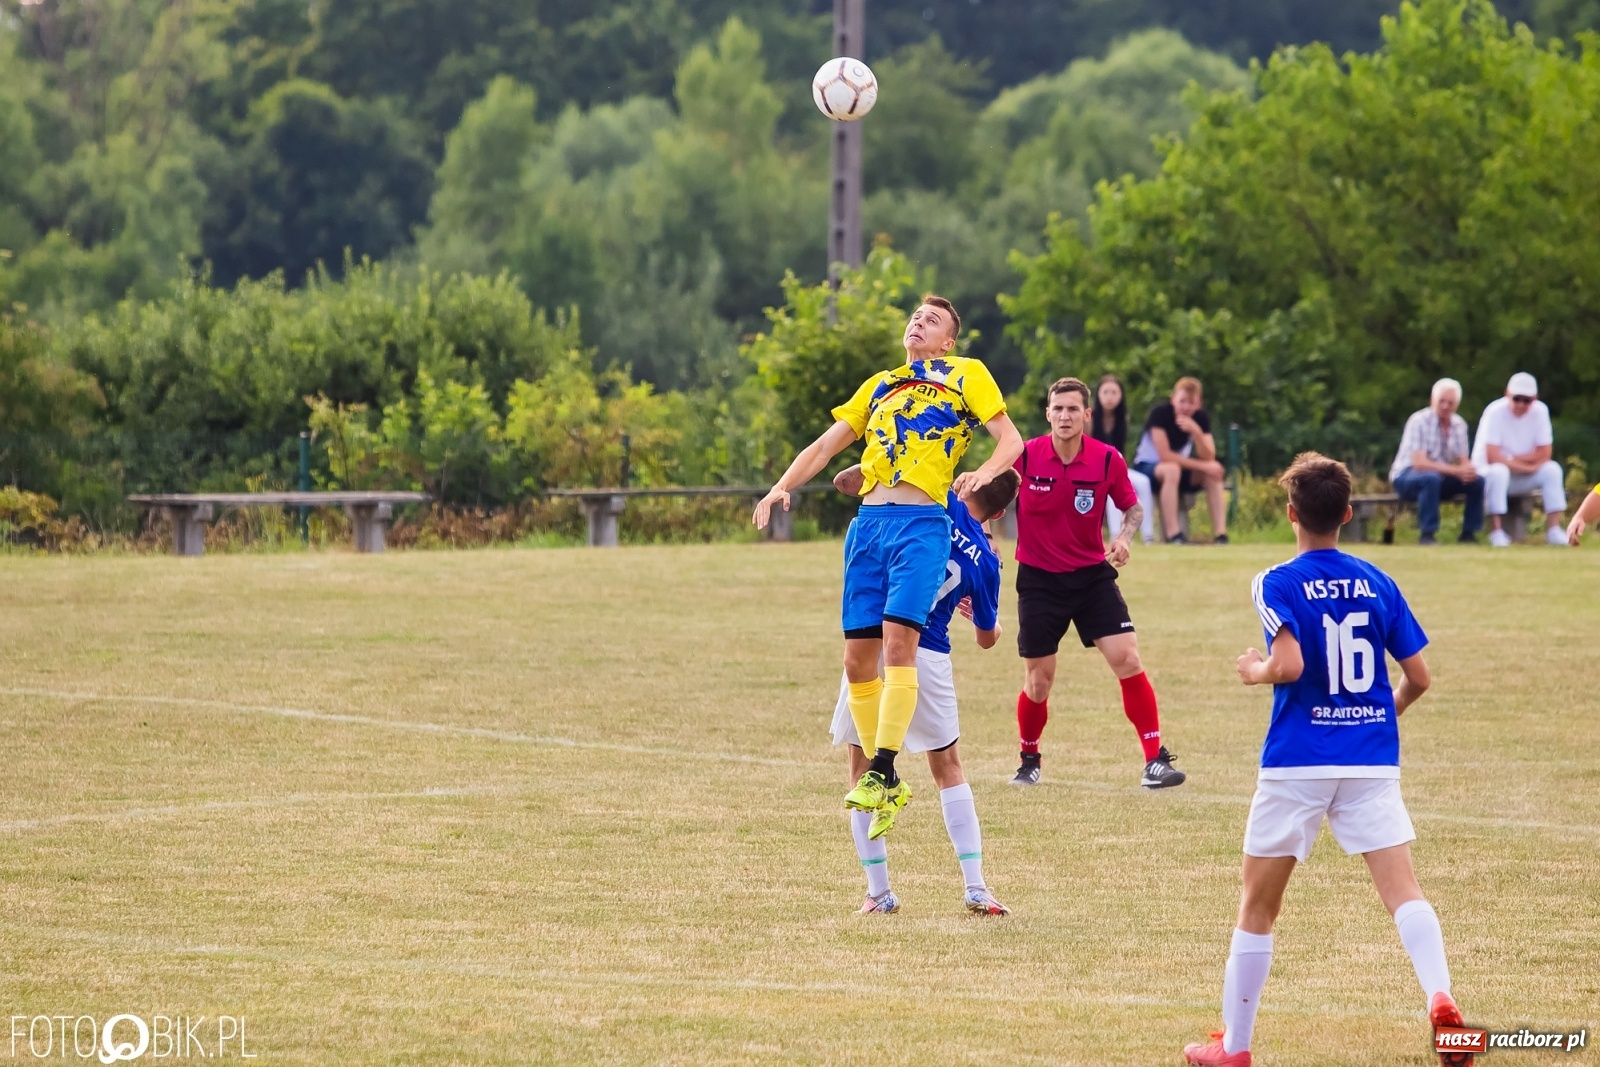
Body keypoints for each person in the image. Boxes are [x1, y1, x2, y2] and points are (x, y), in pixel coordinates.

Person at [1182, 452, 1467, 1067]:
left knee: (1258, 908)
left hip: (1297, 761)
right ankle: (1441, 997)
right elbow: (1419, 677)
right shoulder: (1378, 580)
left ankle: (1233, 1048)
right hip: (1370, 762)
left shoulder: (1276, 580)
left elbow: (1288, 666)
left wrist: (1255, 672)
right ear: (1346, 514)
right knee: (1405, 894)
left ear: (1291, 514)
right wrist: (1375, 718)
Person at [753, 295, 1023, 840]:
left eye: (933, 320)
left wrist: (982, 472)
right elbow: (827, 445)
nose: (918, 323)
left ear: (949, 341)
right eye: (916, 317)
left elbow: (1011, 440)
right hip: (868, 528)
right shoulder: (880, 383)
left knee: (899, 648)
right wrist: (782, 485)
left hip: (920, 526)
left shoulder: (966, 374)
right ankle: (888, 778)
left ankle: (881, 770)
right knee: (857, 662)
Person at [828, 464, 1020, 916]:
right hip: (928, 657)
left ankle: (878, 894)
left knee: (862, 769)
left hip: (877, 647)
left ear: (964, 483)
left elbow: (844, 482)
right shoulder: (988, 560)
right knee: (948, 768)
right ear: (1000, 511)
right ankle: (976, 886)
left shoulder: (937, 500)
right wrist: (973, 607)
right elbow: (989, 639)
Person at [1009, 376, 1186, 789]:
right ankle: (1029, 759)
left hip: (1091, 577)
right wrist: (982, 532)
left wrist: (1124, 537)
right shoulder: (1025, 456)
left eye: (1073, 409)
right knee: (1038, 681)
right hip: (1038, 579)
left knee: (1127, 658)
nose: (1065, 416)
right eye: (1058, 408)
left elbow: (1134, 508)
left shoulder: (1107, 459)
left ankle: (1154, 761)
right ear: (1047, 413)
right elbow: (992, 499)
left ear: (1087, 415)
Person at [1471, 372, 1568, 547]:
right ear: (1507, 394)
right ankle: (1496, 532)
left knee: (1552, 470)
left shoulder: (1541, 411)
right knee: (1499, 472)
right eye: (1517, 399)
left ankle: (1554, 530)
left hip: (1521, 473)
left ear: (1535, 398)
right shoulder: (1494, 412)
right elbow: (1492, 456)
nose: (1521, 404)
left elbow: (1545, 453)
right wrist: (1526, 465)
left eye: (1527, 400)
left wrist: (1512, 459)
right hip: (1489, 474)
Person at [1132, 377, 1228, 544]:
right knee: (1172, 469)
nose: (1185, 407)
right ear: (1173, 399)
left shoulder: (1200, 418)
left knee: (1213, 470)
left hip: (1178, 468)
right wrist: (1204, 465)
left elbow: (1209, 455)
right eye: (1182, 401)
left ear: (1198, 404)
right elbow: (1165, 456)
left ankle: (1220, 534)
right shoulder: (1160, 414)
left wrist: (1197, 432)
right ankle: (1174, 534)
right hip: (1147, 467)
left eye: (1191, 403)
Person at [1389, 378, 1483, 544]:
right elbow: (1420, 464)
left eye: (1451, 403)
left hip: (1439, 477)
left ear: (1457, 405)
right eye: (1442, 401)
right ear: (1432, 400)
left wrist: (1468, 471)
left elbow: (1463, 460)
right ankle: (1427, 534)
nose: (1446, 406)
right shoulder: (1418, 421)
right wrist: (1456, 471)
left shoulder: (1459, 424)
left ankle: (1469, 534)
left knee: (1477, 481)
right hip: (1406, 476)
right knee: (1430, 478)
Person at [1090, 374, 1155, 545]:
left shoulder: (1123, 419)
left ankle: (1148, 535)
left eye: (1114, 392)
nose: (1110, 397)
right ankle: (1115, 534)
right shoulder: (1089, 420)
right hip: (1094, 468)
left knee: (1143, 483)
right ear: (1098, 394)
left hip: (1116, 466)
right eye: (1106, 392)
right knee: (1110, 487)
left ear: (1121, 395)